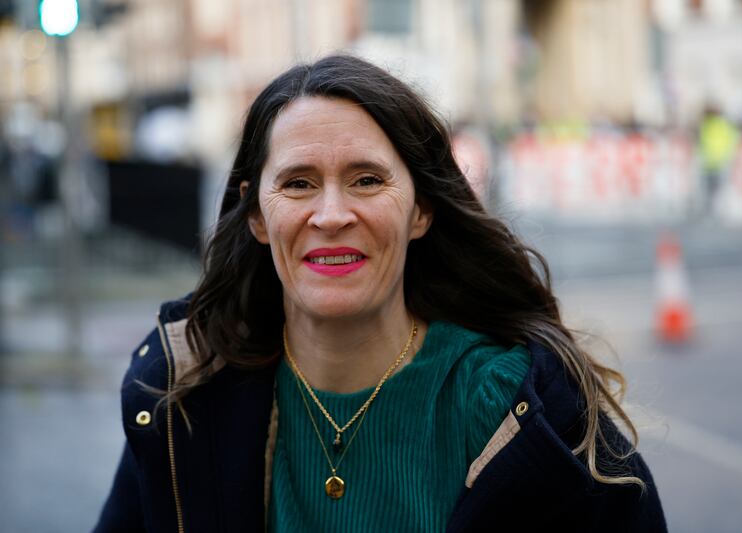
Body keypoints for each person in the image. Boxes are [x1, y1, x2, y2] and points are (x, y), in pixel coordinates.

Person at [94, 55, 666, 532]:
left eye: (368, 179)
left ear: (420, 208)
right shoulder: (189, 396)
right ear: (257, 214)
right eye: (298, 183)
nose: (333, 215)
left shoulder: (507, 402)